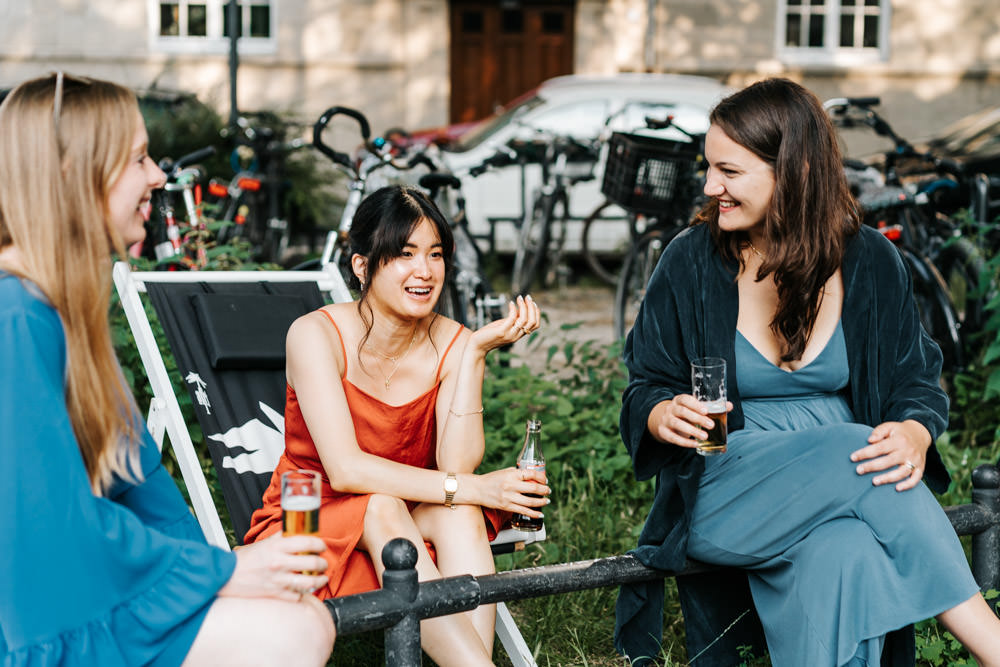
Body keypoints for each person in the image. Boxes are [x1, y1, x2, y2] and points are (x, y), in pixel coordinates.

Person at [613, 77, 1000, 667]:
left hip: (850, 492)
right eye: (709, 167)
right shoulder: (690, 261)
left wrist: (915, 432)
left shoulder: (870, 259)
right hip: (728, 487)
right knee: (858, 451)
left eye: (730, 171)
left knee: (844, 557)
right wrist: (662, 412)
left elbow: (916, 378)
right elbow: (645, 384)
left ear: (790, 171)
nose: (711, 185)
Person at [0, 73, 335, 667]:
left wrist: (225, 572)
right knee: (287, 631)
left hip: (72, 598)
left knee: (293, 617)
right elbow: (52, 526)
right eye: (138, 158)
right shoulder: (16, 321)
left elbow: (144, 488)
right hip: (37, 624)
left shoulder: (65, 312)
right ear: (74, 176)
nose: (159, 174)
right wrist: (225, 571)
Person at [244, 184, 549, 667]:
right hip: (312, 518)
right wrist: (474, 487)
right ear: (362, 266)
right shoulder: (315, 335)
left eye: (435, 254)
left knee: (460, 512)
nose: (424, 272)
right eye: (404, 254)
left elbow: (456, 464)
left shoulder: (453, 341)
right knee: (387, 505)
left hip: (407, 513)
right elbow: (345, 472)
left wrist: (473, 355)